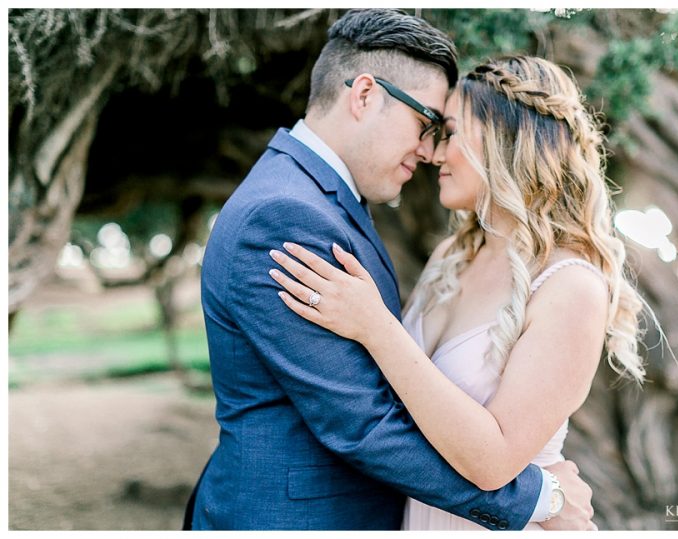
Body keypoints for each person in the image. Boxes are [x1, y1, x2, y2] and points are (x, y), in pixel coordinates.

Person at [184, 10, 594, 531]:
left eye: (442, 133)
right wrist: (537, 499)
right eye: (426, 125)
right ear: (364, 96)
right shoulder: (286, 215)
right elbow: (361, 420)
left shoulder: (319, 201)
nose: (428, 152)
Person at [269, 54, 648, 530]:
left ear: (507, 139)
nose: (433, 153)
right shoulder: (451, 255)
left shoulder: (570, 286)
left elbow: (494, 460)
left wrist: (373, 325)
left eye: (449, 133)